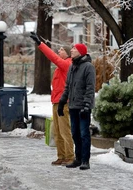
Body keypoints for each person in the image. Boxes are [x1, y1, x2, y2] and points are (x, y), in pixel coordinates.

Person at [30, 32, 74, 166]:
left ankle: (70, 157)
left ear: (67, 53)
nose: (59, 51)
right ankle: (61, 156)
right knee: (57, 131)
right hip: (56, 102)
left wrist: (40, 44)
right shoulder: (60, 68)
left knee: (65, 131)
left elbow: (53, 57)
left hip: (64, 103)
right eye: (59, 49)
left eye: (61, 50)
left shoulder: (67, 64)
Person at [58, 43, 96, 170]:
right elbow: (67, 86)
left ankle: (85, 160)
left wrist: (86, 105)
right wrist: (62, 101)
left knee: (84, 133)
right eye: (72, 48)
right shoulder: (72, 66)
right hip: (73, 105)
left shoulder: (88, 67)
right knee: (75, 133)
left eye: (74, 49)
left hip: (83, 106)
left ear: (81, 52)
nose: (72, 50)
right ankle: (78, 158)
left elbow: (90, 88)